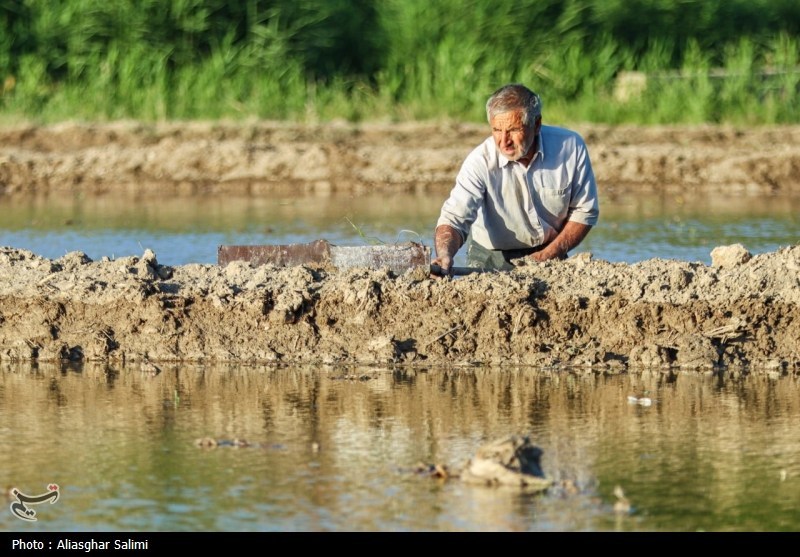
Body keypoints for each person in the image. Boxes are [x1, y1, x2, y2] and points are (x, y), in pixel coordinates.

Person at [431, 83, 599, 277]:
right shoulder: (479, 162)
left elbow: (584, 211)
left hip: (551, 250)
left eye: (513, 130)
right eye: (497, 130)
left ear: (536, 125)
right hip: (489, 256)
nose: (504, 141)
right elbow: (454, 218)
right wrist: (444, 254)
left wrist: (547, 256)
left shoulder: (570, 147)